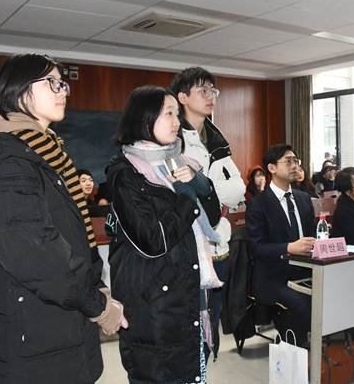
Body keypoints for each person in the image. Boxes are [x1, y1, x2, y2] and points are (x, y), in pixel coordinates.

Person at [0, 54, 126, 384]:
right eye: (52, 83)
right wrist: (98, 305)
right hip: (28, 336)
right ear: (16, 89)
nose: (62, 90)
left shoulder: (41, 151)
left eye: (63, 84)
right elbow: (37, 255)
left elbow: (72, 235)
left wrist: (97, 287)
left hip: (50, 328)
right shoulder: (9, 162)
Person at [106, 86, 222, 383]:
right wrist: (185, 197)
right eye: (168, 113)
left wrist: (199, 183)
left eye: (177, 114)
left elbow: (212, 217)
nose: (176, 121)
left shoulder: (181, 162)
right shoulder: (126, 173)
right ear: (144, 117)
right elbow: (153, 240)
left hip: (190, 295)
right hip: (154, 306)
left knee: (193, 374)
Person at [170, 67, 245, 356]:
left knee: (212, 316)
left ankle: (202, 368)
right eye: (203, 90)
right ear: (182, 97)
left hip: (219, 240)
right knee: (190, 319)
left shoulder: (216, 138)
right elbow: (182, 193)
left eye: (213, 90)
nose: (210, 96)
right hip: (190, 242)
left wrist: (208, 188)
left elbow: (237, 191)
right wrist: (212, 190)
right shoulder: (172, 139)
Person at [247, 144, 316, 345]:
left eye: (296, 161)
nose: (294, 166)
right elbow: (255, 247)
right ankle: (296, 345)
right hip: (273, 276)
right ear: (272, 168)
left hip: (306, 271)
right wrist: (288, 248)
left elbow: (312, 235)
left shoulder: (303, 199)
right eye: (288, 161)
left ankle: (311, 344)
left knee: (333, 294)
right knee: (302, 305)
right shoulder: (259, 204)